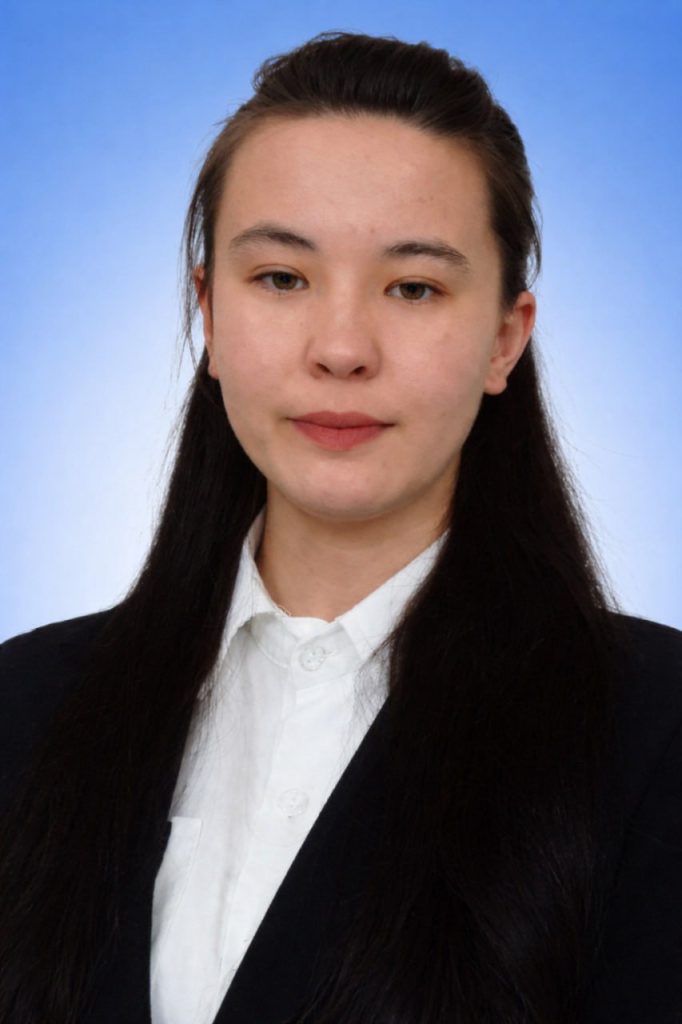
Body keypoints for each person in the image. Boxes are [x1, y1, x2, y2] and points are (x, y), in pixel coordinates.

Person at [0, 30, 680, 1024]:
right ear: (209, 315)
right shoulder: (25, 710)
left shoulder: (651, 734)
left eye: (413, 287)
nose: (342, 347)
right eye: (281, 277)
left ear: (505, 337)